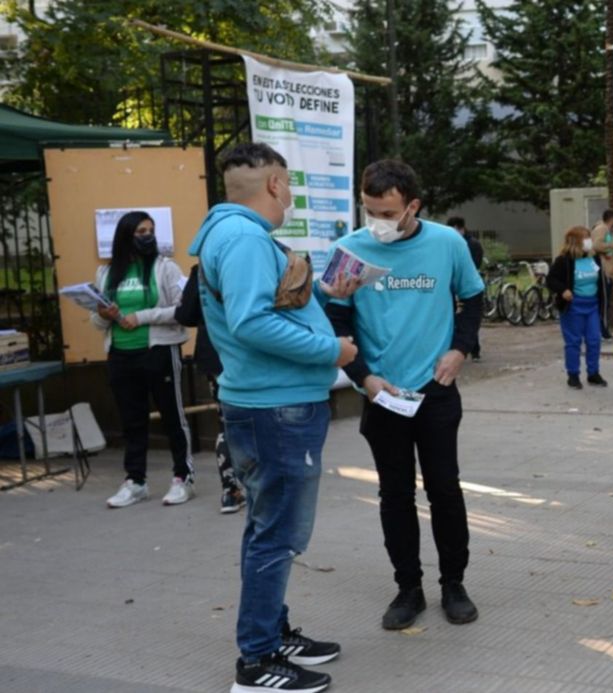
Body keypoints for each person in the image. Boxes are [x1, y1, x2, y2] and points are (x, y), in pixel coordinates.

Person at [190, 142, 359, 693]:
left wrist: (324, 296)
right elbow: (250, 323)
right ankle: (257, 661)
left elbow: (266, 308)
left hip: (271, 405)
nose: (289, 193)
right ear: (274, 185)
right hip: (275, 408)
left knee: (267, 529)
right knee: (277, 535)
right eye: (288, 184)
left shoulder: (236, 234)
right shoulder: (241, 238)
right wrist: (329, 351)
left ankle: (271, 632)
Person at [325, 160, 484, 632]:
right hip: (382, 394)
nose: (376, 222)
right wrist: (363, 377)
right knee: (395, 495)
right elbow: (334, 322)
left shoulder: (447, 243)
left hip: (436, 391)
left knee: (445, 490)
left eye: (387, 212)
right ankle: (408, 589)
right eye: (369, 210)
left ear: (413, 205)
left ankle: (453, 583)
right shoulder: (347, 250)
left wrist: (460, 349)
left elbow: (473, 299)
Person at [92, 211, 196, 509]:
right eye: (141, 231)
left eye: (150, 230)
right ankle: (135, 481)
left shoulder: (166, 268)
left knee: (172, 417)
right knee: (132, 421)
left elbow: (182, 310)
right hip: (120, 355)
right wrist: (103, 315)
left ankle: (183, 478)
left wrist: (141, 317)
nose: (147, 236)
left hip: (159, 352)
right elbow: (97, 321)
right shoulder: (107, 273)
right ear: (126, 236)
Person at [174, 263, 245, 514]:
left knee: (226, 422)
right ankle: (260, 486)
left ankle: (230, 491)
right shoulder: (252, 258)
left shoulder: (202, 269)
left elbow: (185, 315)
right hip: (249, 351)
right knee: (258, 417)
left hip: (215, 353)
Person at [546, 226, 608, 389]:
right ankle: (573, 375)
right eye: (586, 238)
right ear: (576, 241)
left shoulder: (594, 259)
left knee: (594, 340)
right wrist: (563, 290)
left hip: (592, 305)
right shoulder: (563, 261)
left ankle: (593, 373)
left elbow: (601, 281)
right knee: (573, 342)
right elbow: (551, 280)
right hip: (573, 306)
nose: (589, 241)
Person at [446, 216, 484, 362]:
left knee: (468, 317)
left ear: (460, 228)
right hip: (452, 286)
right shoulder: (453, 242)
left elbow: (473, 266)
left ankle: (473, 350)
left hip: (465, 285)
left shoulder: (471, 244)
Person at [591, 209, 613, 340]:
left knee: (605, 302)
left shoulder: (608, 230)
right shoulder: (601, 229)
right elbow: (596, 245)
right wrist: (612, 244)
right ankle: (602, 332)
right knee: (603, 302)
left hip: (608, 270)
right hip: (602, 269)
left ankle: (604, 330)